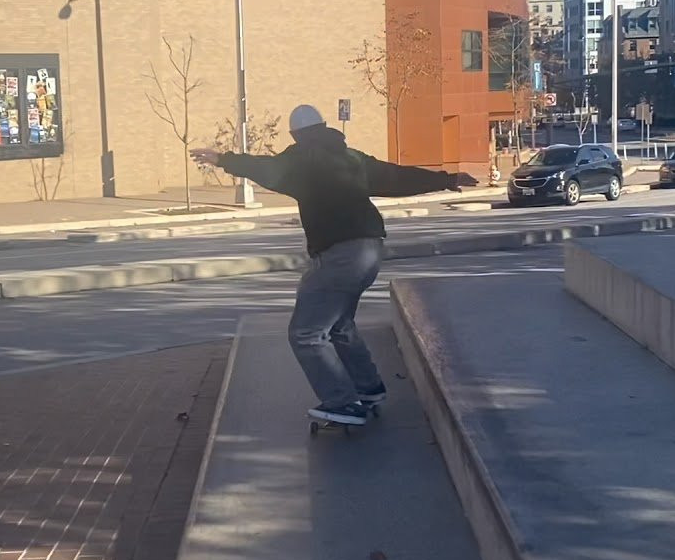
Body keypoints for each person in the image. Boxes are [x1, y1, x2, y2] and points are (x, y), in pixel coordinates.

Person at [190, 104, 478, 427]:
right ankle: (368, 388)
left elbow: (264, 168)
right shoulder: (352, 158)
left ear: (295, 135)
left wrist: (223, 159)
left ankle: (343, 402)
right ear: (326, 126)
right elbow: (396, 177)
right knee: (340, 325)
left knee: (306, 333)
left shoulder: (299, 161)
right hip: (370, 250)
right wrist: (447, 179)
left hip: (341, 256)